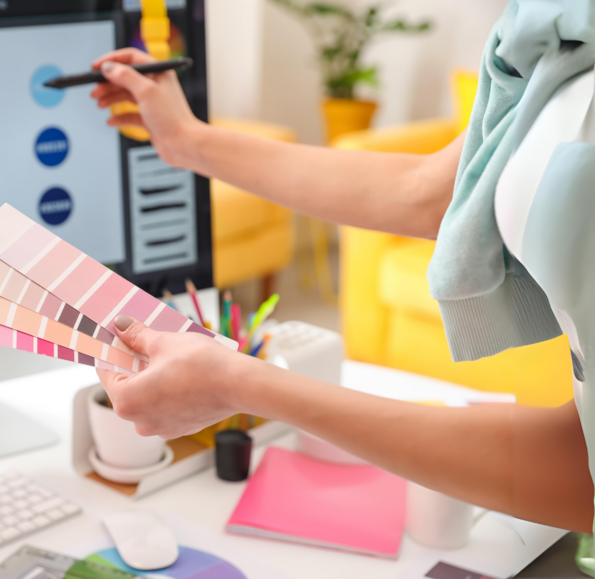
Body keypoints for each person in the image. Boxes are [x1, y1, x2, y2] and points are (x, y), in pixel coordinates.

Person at [88, 9, 595, 534]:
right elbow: (436, 191)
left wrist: (239, 384)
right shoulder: (552, 30)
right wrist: (186, 141)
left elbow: (581, 476)